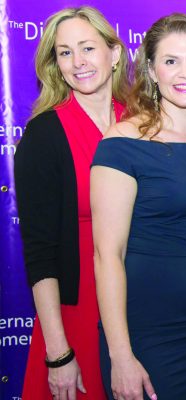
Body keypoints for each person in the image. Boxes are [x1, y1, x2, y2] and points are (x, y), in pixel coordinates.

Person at [90, 13, 186, 400]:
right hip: (149, 334)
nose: (185, 73)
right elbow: (108, 254)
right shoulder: (122, 143)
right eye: (171, 61)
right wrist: (121, 354)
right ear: (152, 71)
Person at [14, 6, 129, 400]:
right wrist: (59, 352)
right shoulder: (44, 134)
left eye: (87, 48)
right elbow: (40, 252)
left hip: (141, 306)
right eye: (65, 52)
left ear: (114, 54)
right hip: (76, 312)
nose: (77, 62)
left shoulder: (142, 123)